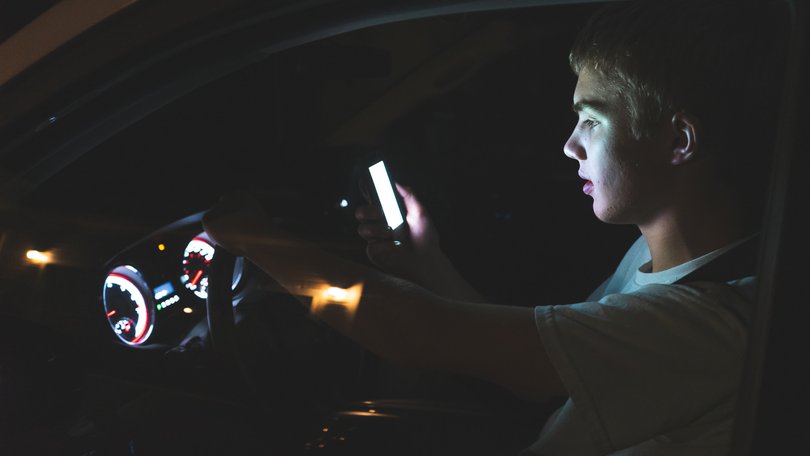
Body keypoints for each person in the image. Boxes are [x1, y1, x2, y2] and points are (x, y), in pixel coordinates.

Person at [203, 0, 776, 453]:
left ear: (679, 141)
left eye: (591, 121)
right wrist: (424, 259)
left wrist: (256, 241)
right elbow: (534, 365)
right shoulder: (656, 261)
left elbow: (420, 330)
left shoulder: (709, 324)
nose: (570, 145)